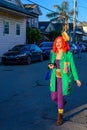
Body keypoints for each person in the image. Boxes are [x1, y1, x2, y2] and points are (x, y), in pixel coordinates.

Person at [48, 36, 81, 126]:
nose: (58, 44)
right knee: (54, 97)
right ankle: (62, 102)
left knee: (60, 96)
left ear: (63, 43)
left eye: (60, 42)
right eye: (56, 42)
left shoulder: (68, 54)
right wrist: (50, 66)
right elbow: (52, 65)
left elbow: (73, 67)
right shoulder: (54, 53)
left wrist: (76, 79)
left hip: (64, 79)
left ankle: (60, 117)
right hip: (54, 78)